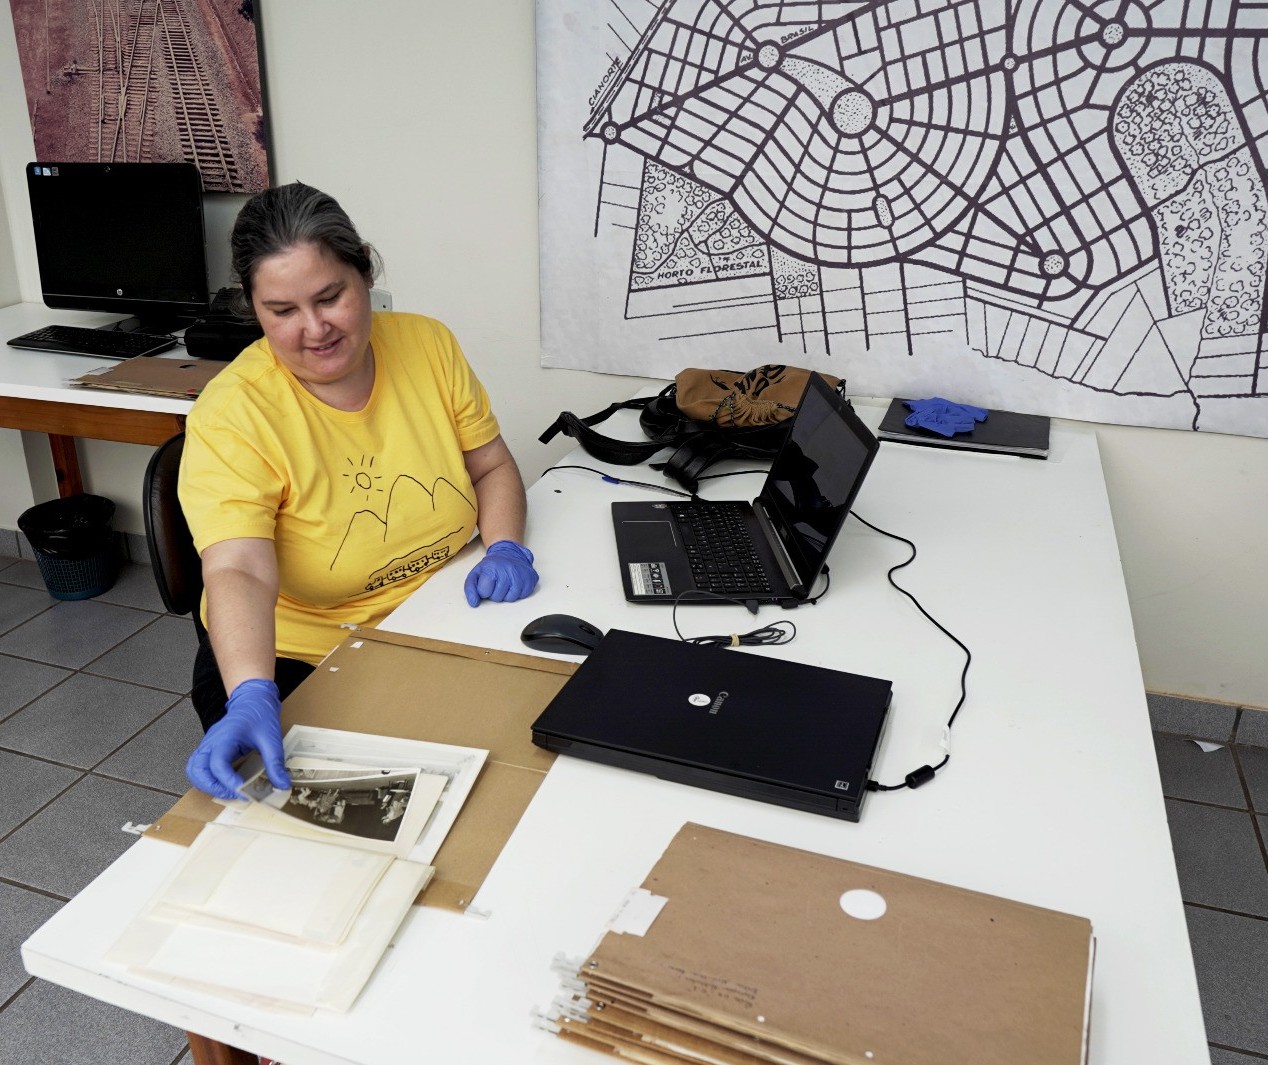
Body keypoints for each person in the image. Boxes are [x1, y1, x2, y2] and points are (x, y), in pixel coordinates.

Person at [179, 181, 538, 800]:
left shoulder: (427, 345)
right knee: (356, 818)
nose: (314, 329)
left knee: (515, 776)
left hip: (435, 619)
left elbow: (491, 468)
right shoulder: (234, 412)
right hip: (296, 654)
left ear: (364, 274)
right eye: (282, 311)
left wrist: (506, 546)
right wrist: (251, 690)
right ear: (253, 308)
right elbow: (238, 567)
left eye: (330, 297)